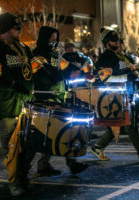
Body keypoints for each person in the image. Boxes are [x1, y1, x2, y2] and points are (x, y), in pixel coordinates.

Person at [0, 12, 39, 196]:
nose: (19, 30)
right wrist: (13, 84)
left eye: (19, 27)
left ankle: (23, 177)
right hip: (5, 106)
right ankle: (14, 183)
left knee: (29, 145)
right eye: (15, 27)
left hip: (25, 104)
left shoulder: (23, 47)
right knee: (12, 148)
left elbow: (34, 69)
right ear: (6, 28)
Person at [90, 27, 139, 162]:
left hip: (127, 93)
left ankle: (98, 147)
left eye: (117, 40)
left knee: (119, 123)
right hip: (114, 95)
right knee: (129, 123)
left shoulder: (122, 56)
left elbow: (130, 70)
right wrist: (127, 77)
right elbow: (105, 78)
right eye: (113, 40)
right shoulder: (105, 57)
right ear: (106, 43)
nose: (116, 42)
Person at [32, 26, 89, 176]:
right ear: (45, 38)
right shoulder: (38, 55)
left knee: (63, 129)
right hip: (46, 99)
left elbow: (67, 67)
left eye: (56, 38)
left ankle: (69, 163)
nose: (55, 41)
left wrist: (82, 72)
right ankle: (39, 166)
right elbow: (44, 75)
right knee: (49, 133)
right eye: (52, 38)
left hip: (59, 97)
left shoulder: (55, 54)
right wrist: (60, 75)